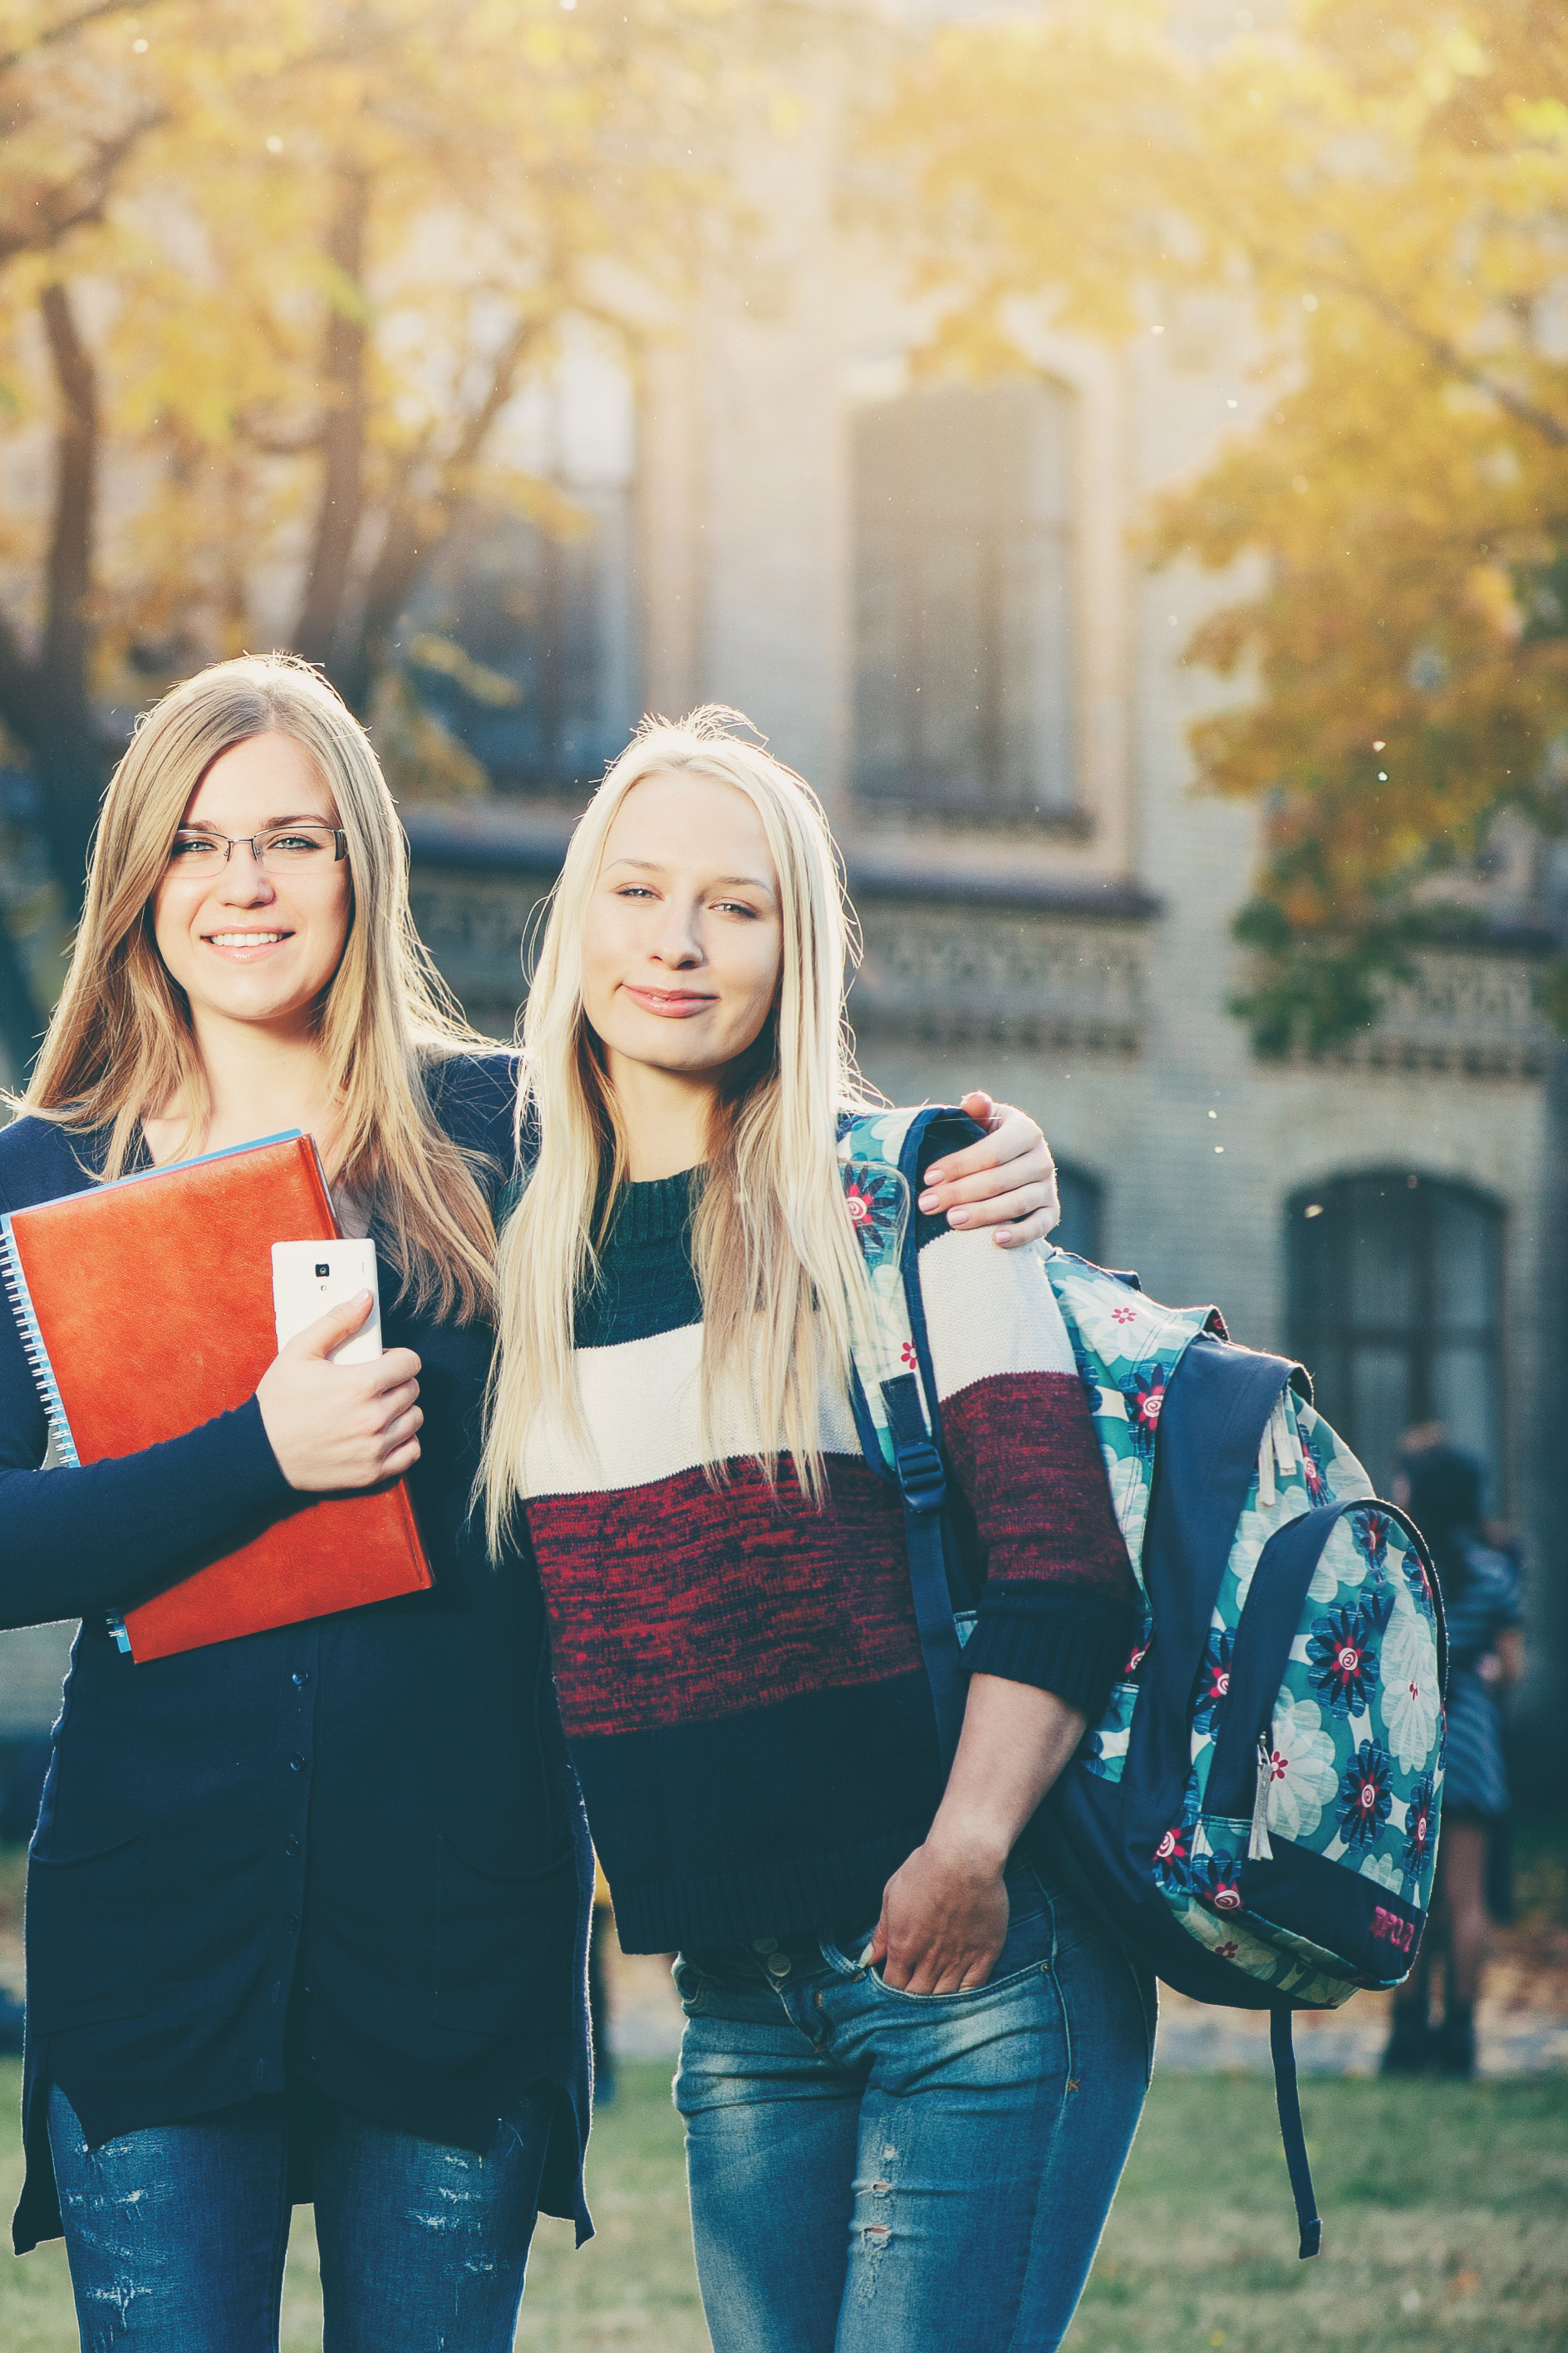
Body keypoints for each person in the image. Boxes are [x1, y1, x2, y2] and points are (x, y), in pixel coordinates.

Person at [0, 658, 1068, 2353]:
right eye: (196, 844)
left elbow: (750, 1127)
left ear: (361, 866)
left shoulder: (511, 1129)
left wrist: (966, 1153)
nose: (242, 886)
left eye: (290, 840)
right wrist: (259, 1449)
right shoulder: (37, 1178)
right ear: (136, 882)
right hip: (155, 1915)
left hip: (458, 1911)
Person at [479, 708, 1148, 2353]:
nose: (679, 944)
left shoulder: (909, 1196)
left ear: (796, 945)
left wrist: (967, 1850)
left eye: (736, 904)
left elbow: (1064, 1570)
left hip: (972, 1969)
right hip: (733, 2003)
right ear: (575, 925)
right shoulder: (518, 1253)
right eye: (637, 894)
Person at [1387, 1432, 1528, 2077]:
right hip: (1471, 1740)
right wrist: (1485, 1668)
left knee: (1413, 1896)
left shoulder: (1401, 1565)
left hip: (1411, 1737)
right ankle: (1462, 2035)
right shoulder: (1493, 1571)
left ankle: (1406, 2032)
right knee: (1466, 1897)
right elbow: (1513, 1671)